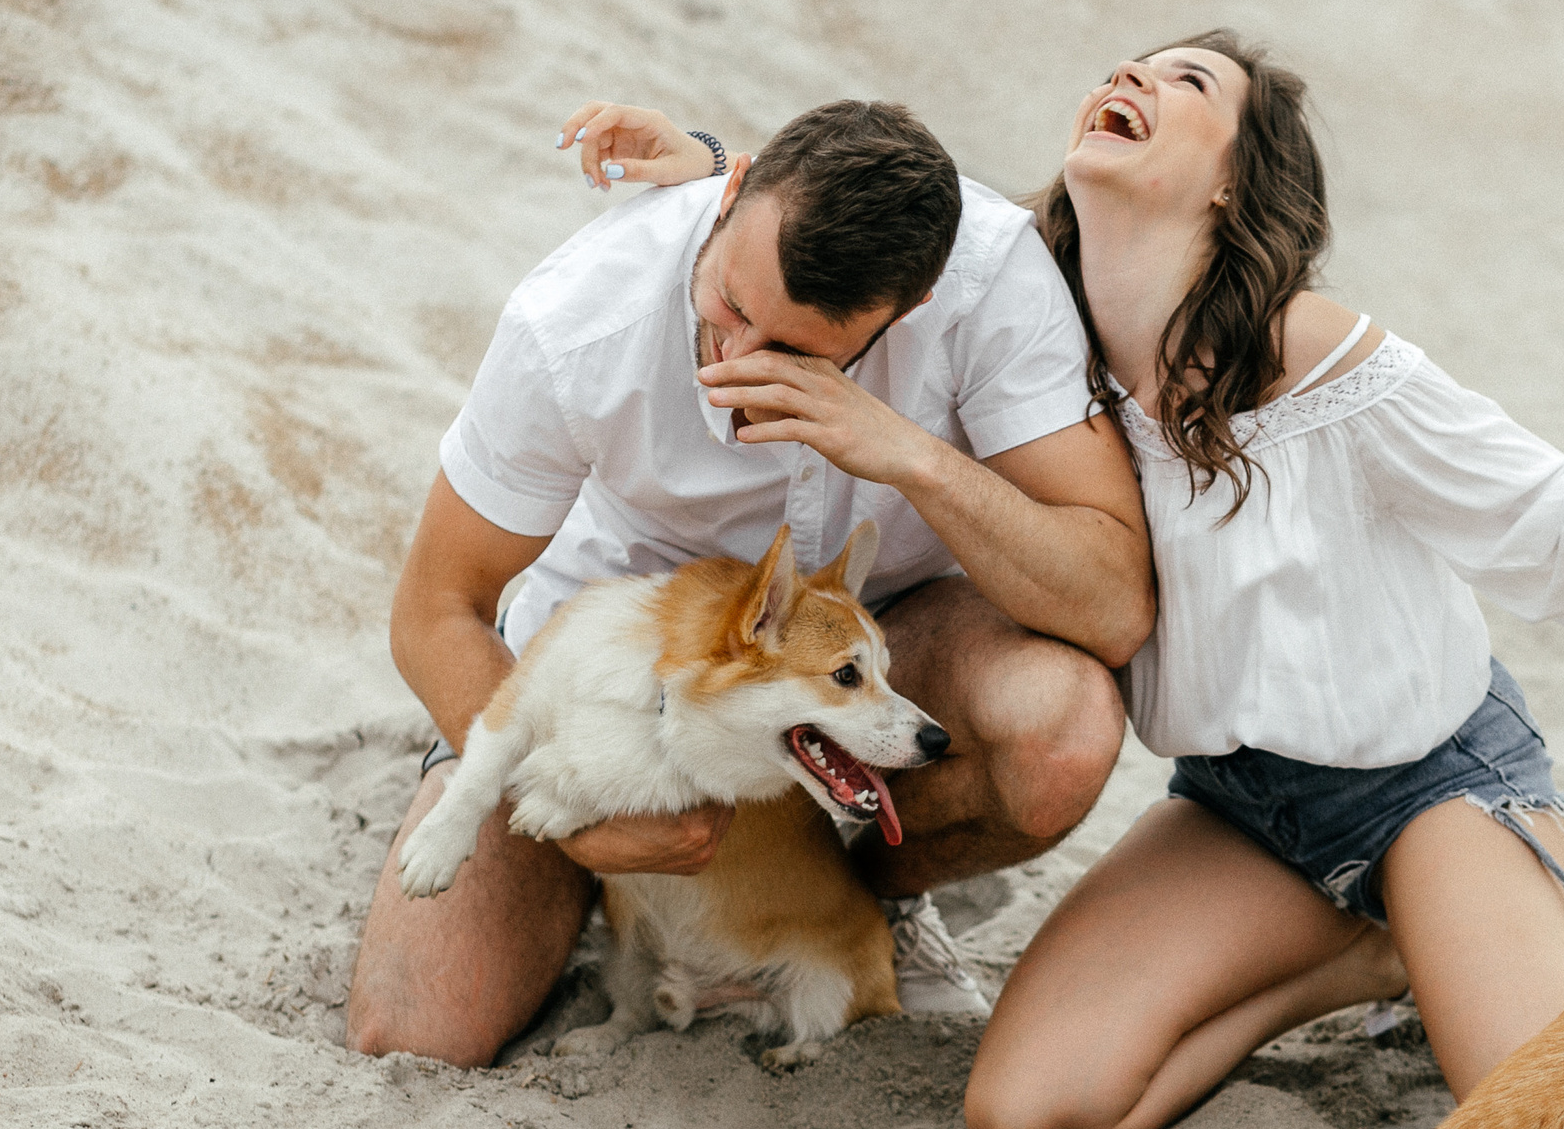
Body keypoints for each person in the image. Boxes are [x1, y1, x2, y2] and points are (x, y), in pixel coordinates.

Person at [557, 48, 1564, 1129]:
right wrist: (715, 167)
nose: (1135, 75)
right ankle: (1375, 955)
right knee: (1029, 1109)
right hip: (1244, 811)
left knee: (1558, 1127)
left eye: (1189, 82)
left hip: (1432, 788)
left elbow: (1530, 501)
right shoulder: (1042, 325)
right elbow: (890, 219)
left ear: (1233, 180)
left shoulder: (1312, 352)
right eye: (1132, 60)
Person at [345, 100, 1153, 1067]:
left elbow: (1113, 602)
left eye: (796, 350)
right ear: (728, 193)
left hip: (880, 641)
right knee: (415, 1027)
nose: (733, 361)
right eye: (730, 303)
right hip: (614, 682)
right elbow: (435, 608)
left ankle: (870, 897)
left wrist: (907, 453)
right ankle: (616, 894)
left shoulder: (990, 285)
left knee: (1060, 731)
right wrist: (573, 813)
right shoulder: (578, 319)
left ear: (910, 309)